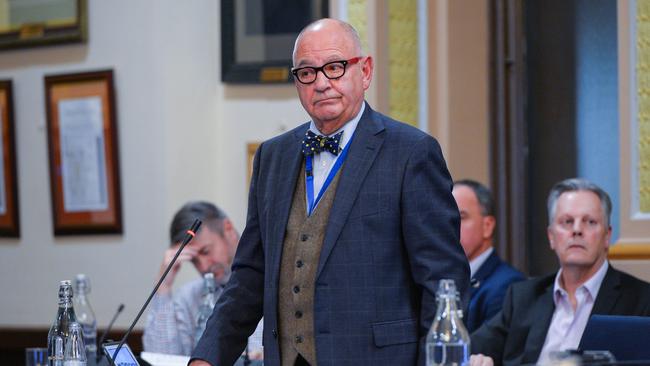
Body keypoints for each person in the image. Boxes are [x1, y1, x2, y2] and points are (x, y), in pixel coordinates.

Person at [190, 18, 469, 366]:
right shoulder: (272, 157)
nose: (321, 83)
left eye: (335, 68)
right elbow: (249, 275)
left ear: (364, 72)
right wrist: (207, 357)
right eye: (307, 72)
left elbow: (442, 281)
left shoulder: (411, 153)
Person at [469, 178, 650, 366]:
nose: (577, 230)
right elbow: (468, 349)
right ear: (551, 237)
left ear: (607, 236)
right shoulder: (524, 297)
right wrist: (478, 360)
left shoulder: (641, 300)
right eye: (567, 221)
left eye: (590, 222)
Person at [142, 201, 263, 358]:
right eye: (194, 260)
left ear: (228, 229)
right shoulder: (189, 296)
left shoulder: (271, 283)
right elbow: (161, 358)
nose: (204, 267)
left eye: (205, 251)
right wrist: (163, 286)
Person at [452, 179, 525, 332]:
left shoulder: (508, 285)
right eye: (447, 218)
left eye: (461, 217)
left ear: (488, 226)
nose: (451, 226)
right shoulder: (440, 278)